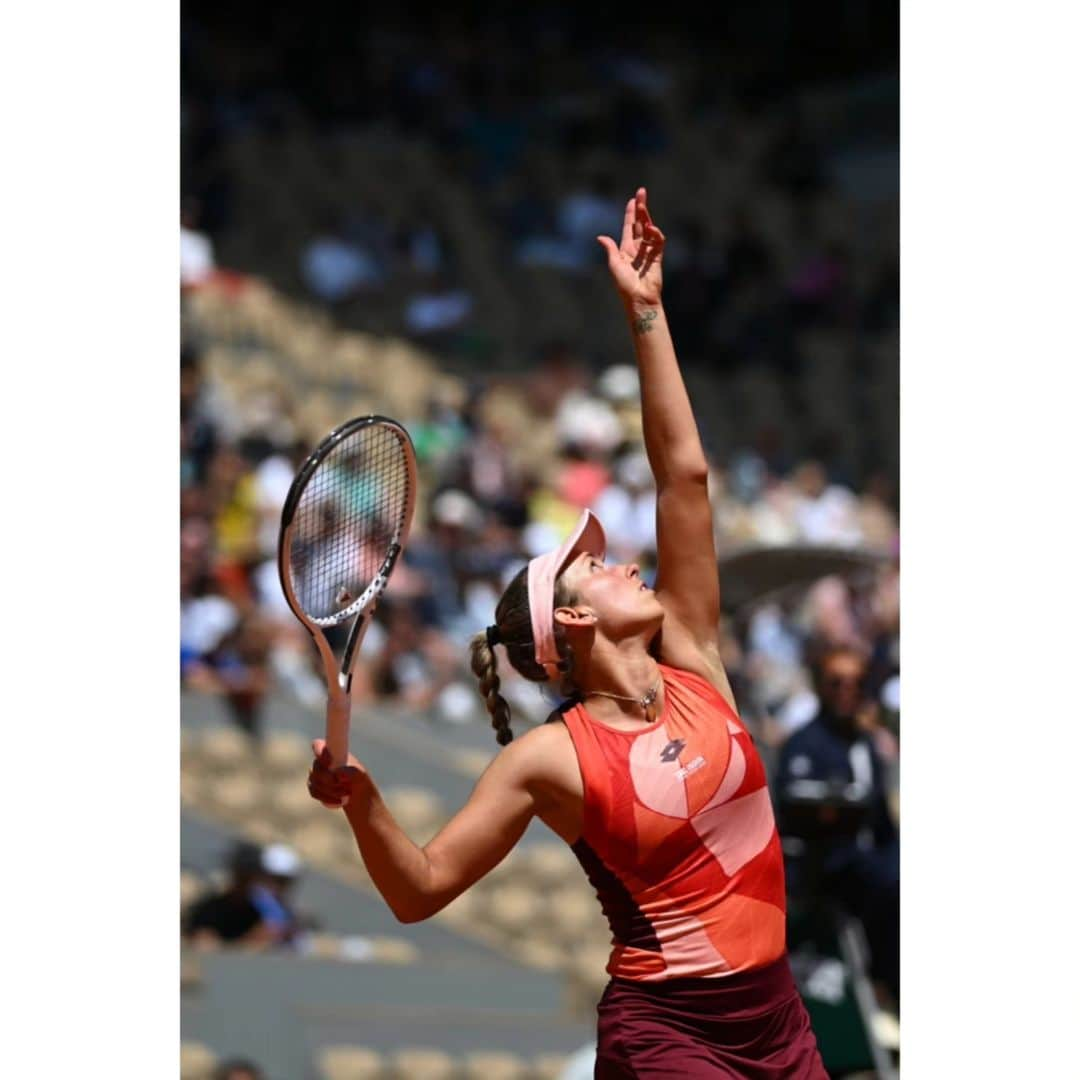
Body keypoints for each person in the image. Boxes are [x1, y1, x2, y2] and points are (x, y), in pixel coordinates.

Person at [307, 189, 828, 1078]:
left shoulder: (694, 659)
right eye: (598, 568)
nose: (625, 561)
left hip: (778, 1023)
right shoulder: (552, 759)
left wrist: (647, 314)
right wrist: (363, 801)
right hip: (669, 1035)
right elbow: (420, 890)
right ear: (575, 620)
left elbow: (686, 481)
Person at [775, 645, 900, 1012]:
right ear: (819, 687)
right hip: (825, 866)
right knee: (891, 882)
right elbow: (797, 812)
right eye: (836, 683)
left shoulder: (866, 745)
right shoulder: (804, 746)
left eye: (857, 683)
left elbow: (881, 821)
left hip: (871, 861)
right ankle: (886, 986)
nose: (848, 691)